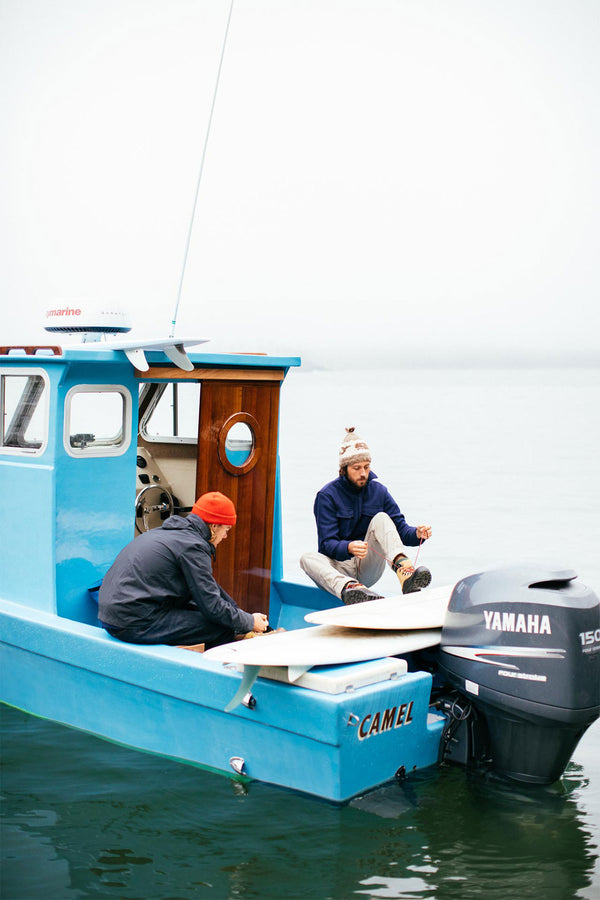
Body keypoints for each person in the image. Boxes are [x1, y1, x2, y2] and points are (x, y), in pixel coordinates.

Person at [98, 491, 269, 648]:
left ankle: (253, 634)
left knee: (212, 613)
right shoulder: (193, 546)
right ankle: (215, 674)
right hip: (132, 623)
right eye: (226, 529)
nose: (225, 536)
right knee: (220, 627)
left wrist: (244, 616)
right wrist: (248, 621)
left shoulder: (170, 534)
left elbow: (209, 591)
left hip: (114, 616)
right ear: (214, 526)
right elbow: (212, 607)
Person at [300, 427, 433, 605]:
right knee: (306, 559)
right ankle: (351, 589)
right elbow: (326, 545)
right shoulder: (327, 496)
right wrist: (348, 547)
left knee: (381, 518)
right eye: (356, 468)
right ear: (344, 469)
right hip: (339, 569)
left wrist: (417, 534)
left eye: (366, 467)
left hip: (367, 565)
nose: (363, 473)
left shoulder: (379, 491)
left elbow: (400, 530)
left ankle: (406, 574)